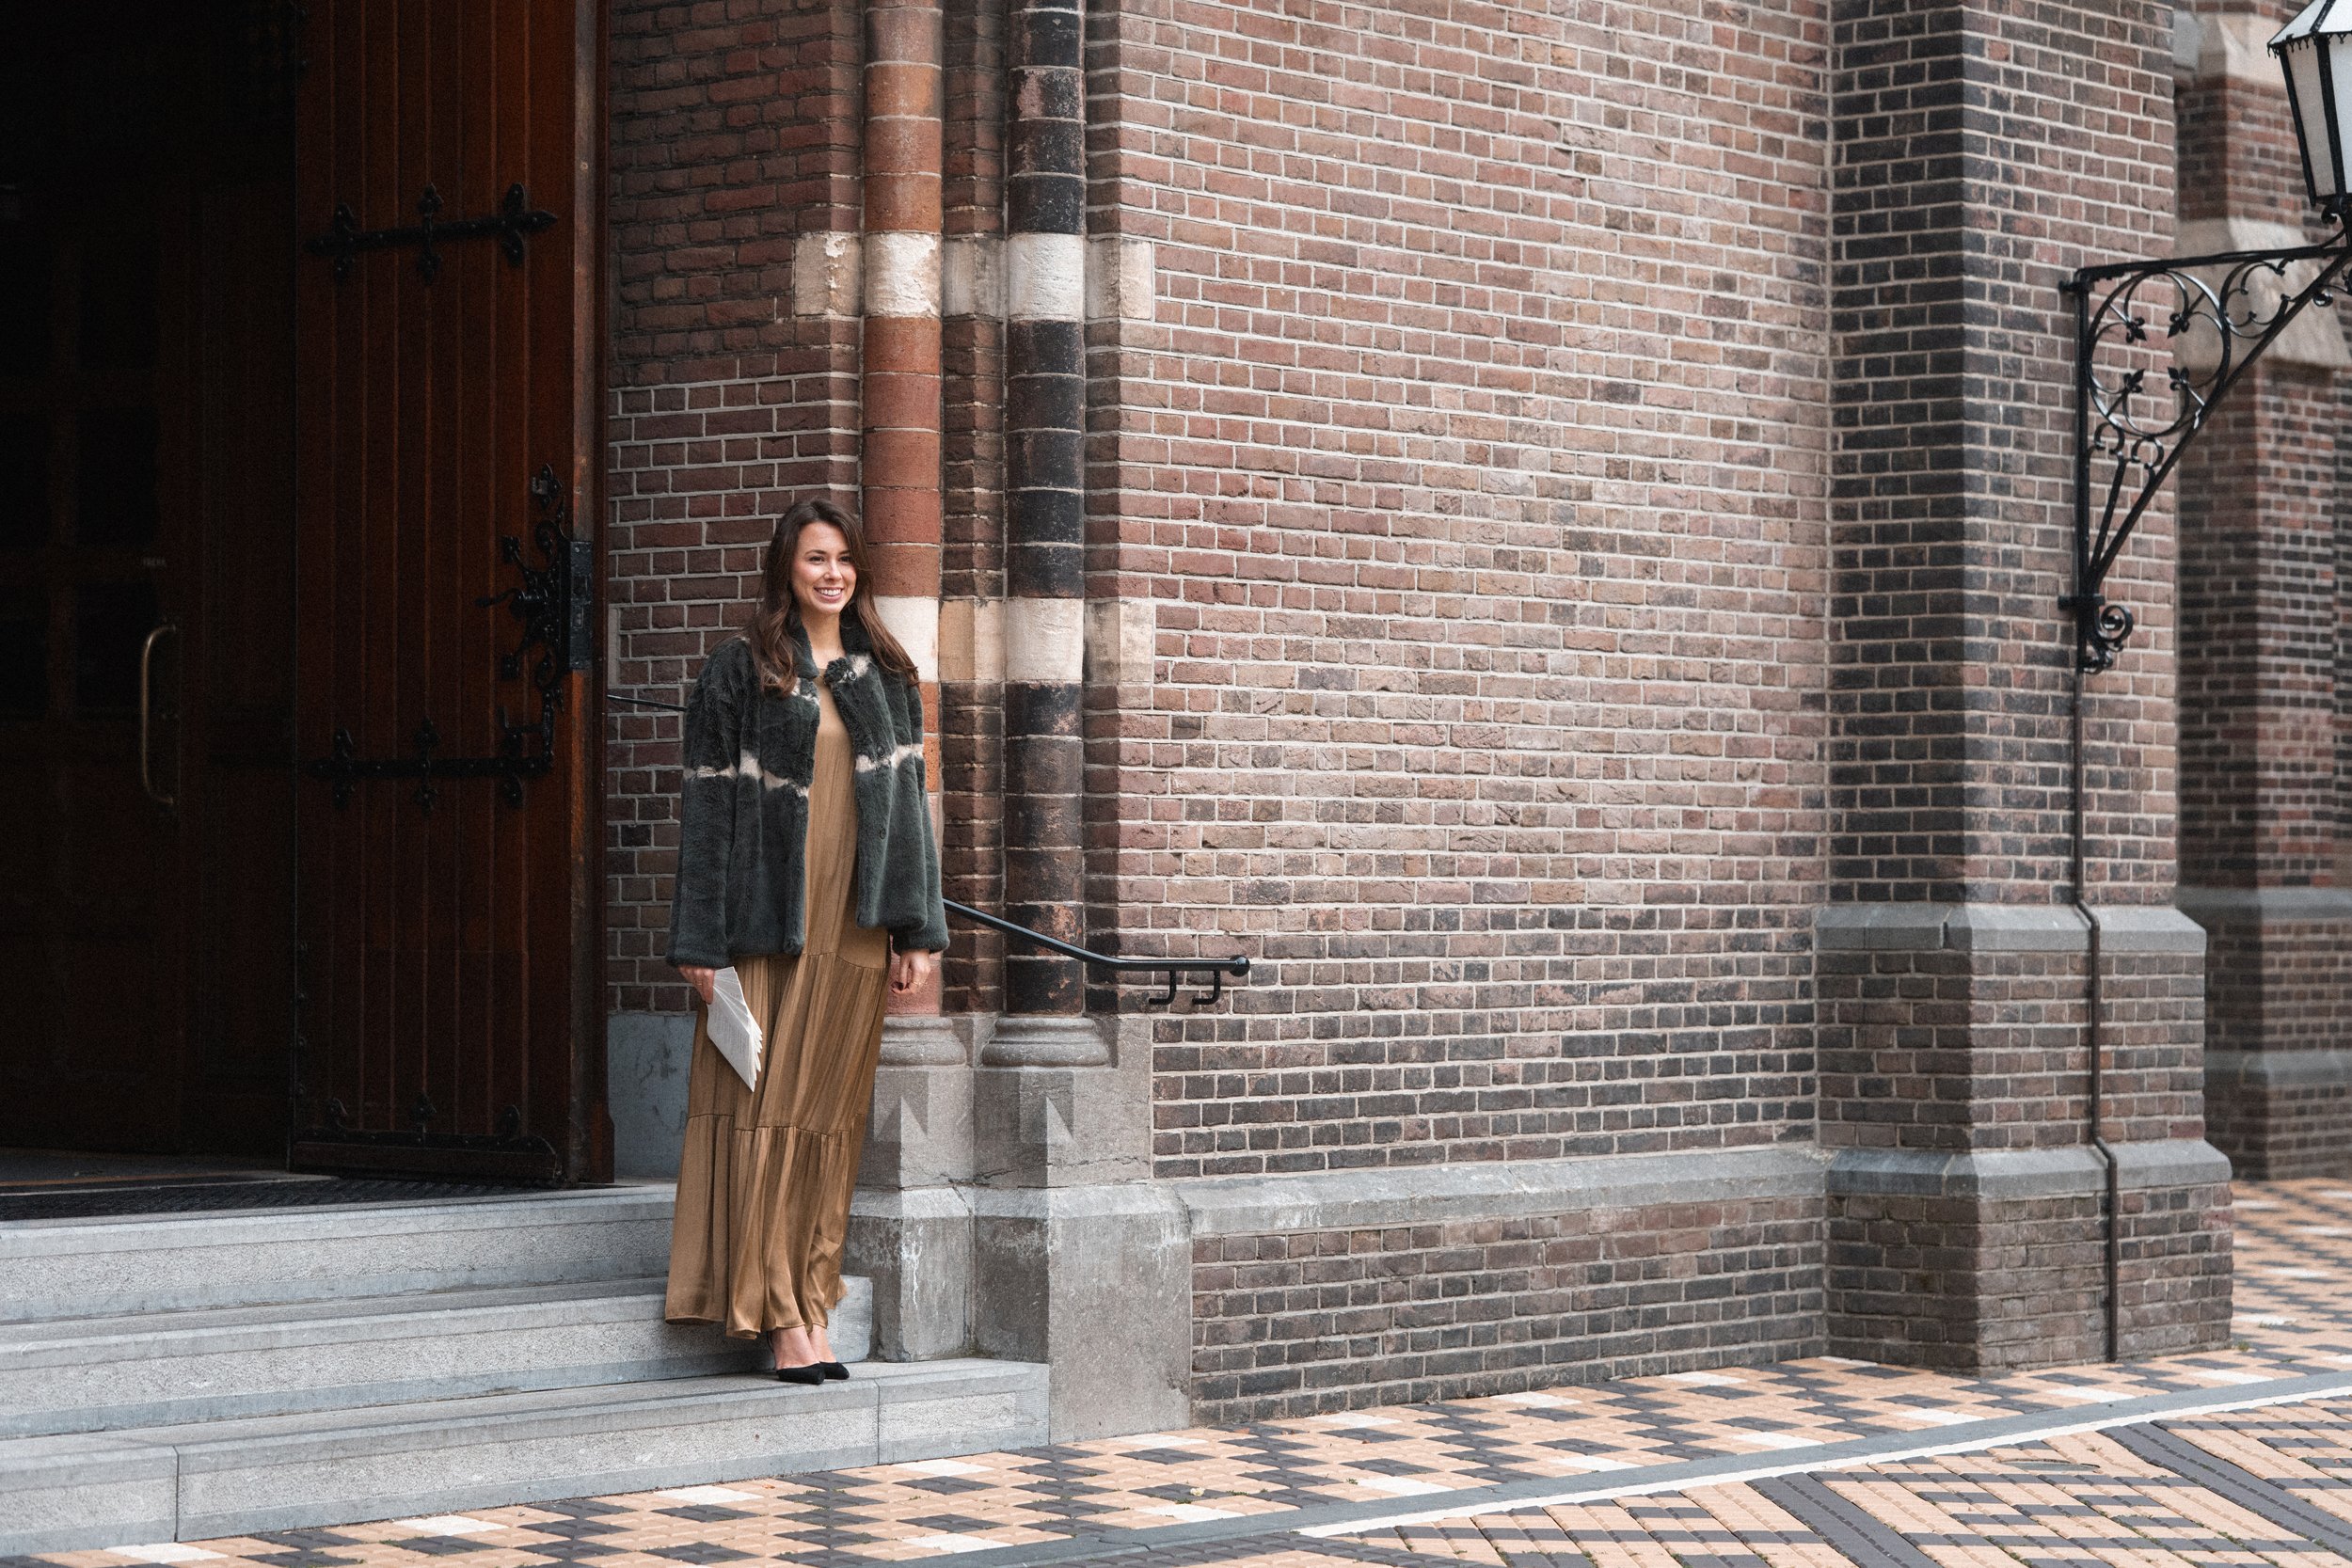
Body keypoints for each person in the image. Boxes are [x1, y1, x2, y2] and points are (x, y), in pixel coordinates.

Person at [661, 496, 947, 1384]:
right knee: (764, 1110)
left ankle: (812, 1297)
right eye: (817, 558)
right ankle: (774, 1313)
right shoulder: (740, 672)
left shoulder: (885, 679)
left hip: (854, 928)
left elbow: (910, 819)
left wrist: (917, 928)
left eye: (846, 560)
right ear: (786, 567)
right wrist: (699, 945)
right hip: (767, 925)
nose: (834, 574)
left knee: (823, 1119)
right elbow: (707, 813)